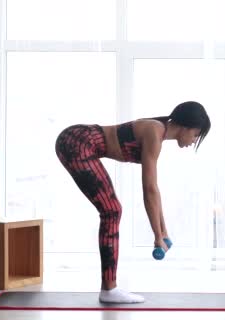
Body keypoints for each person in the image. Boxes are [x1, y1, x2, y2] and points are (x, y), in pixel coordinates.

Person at [54, 101, 211, 303]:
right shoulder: (154, 132)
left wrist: (163, 232)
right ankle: (109, 289)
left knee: (112, 210)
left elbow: (155, 190)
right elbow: (149, 190)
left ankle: (108, 288)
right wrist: (157, 236)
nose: (193, 141)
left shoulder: (158, 131)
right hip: (77, 142)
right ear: (186, 126)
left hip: (76, 140)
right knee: (112, 211)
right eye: (196, 135)